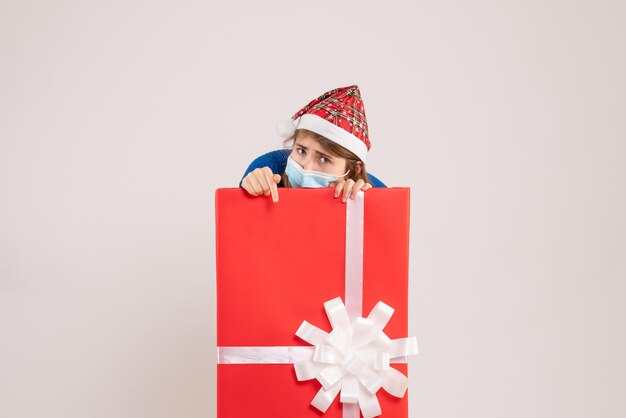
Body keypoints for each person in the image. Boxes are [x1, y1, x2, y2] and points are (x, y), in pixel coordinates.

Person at [239, 85, 387, 203]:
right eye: (301, 151)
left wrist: (364, 208)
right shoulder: (270, 172)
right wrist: (250, 193)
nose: (306, 168)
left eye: (324, 159)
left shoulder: (365, 199)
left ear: (353, 169)